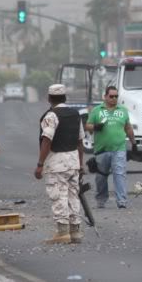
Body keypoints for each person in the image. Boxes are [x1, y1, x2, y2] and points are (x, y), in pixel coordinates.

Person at [34, 84, 85, 244]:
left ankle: (62, 232)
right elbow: (80, 141)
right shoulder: (75, 114)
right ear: (65, 97)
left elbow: (47, 140)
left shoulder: (51, 116)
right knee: (73, 195)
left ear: (49, 98)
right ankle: (75, 231)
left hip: (57, 161)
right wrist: (81, 164)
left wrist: (40, 163)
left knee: (59, 195)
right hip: (73, 160)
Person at [86, 86, 136, 209]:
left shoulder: (123, 110)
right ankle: (101, 199)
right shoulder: (97, 110)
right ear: (105, 97)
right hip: (101, 149)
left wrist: (133, 143)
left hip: (119, 148)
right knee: (101, 176)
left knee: (119, 174)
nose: (114, 99)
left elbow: (128, 127)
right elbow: (87, 125)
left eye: (116, 96)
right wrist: (95, 127)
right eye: (111, 96)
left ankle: (122, 201)